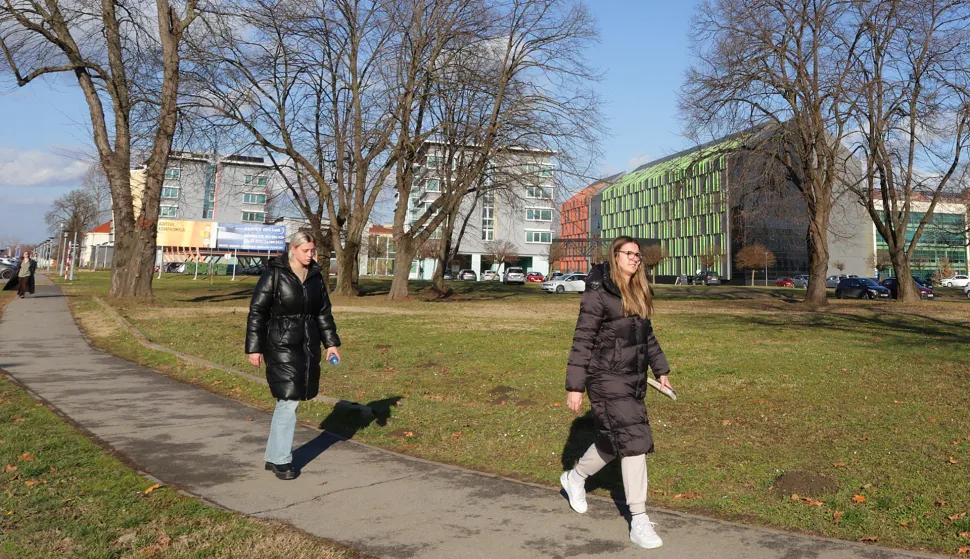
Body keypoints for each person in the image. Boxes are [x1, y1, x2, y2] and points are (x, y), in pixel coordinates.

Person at [561, 235, 673, 550]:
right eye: (629, 253)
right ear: (615, 256)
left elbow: (646, 337)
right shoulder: (599, 292)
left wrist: (661, 370)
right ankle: (639, 519)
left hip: (632, 379)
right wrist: (575, 386)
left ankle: (575, 478)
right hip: (605, 378)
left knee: (613, 441)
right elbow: (583, 338)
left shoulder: (637, 290)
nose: (635, 258)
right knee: (634, 440)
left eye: (638, 255)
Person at [246, 230, 341, 480]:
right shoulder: (274, 274)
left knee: (289, 399)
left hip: (307, 343)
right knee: (288, 400)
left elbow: (323, 313)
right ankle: (281, 460)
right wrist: (254, 348)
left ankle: (273, 455)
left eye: (313, 250)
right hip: (280, 342)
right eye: (305, 250)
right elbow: (257, 312)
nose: (310, 255)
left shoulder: (315, 276)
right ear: (293, 249)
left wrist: (331, 344)